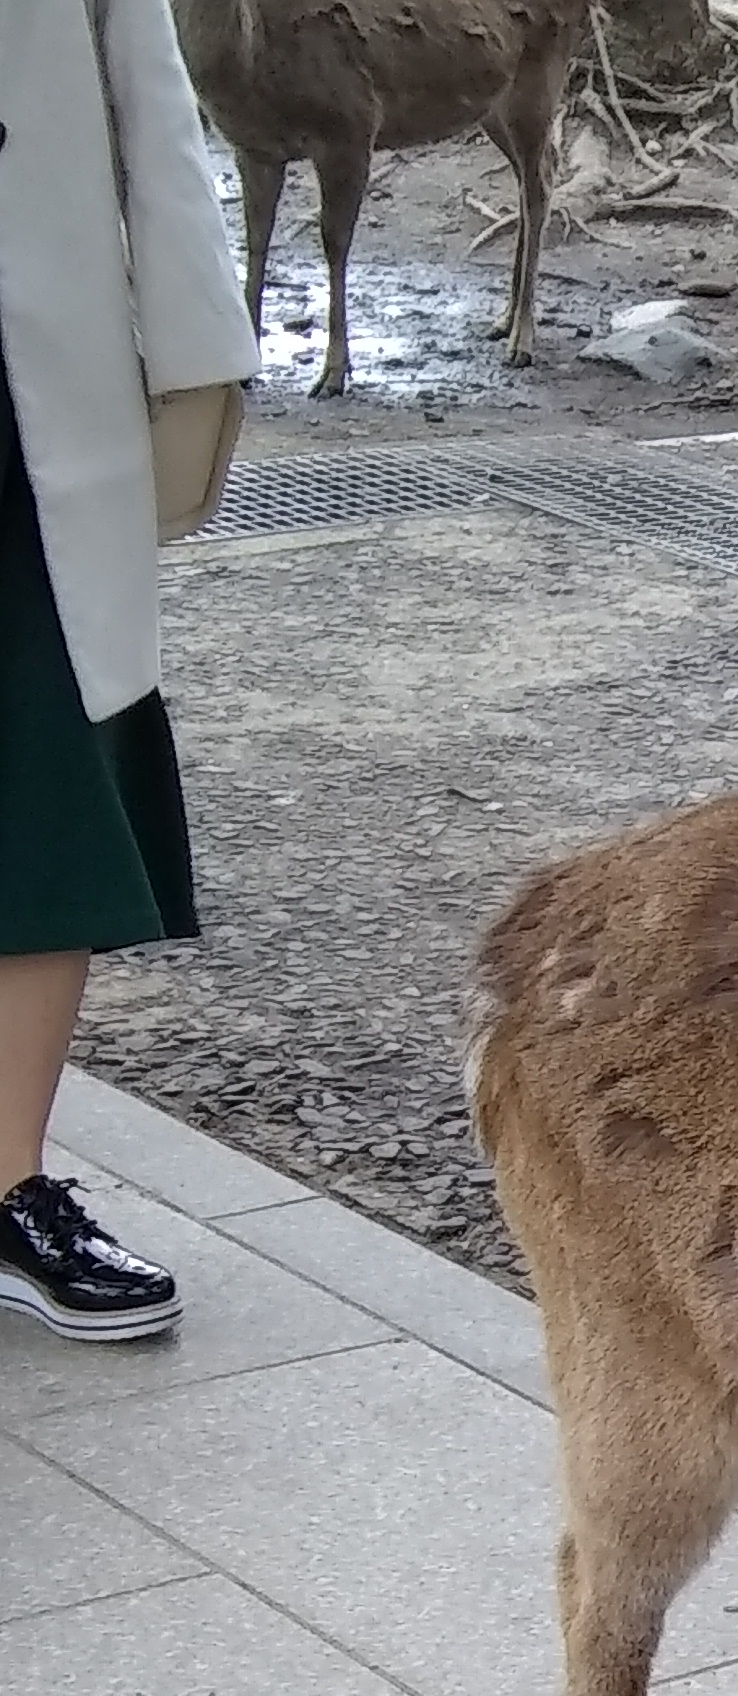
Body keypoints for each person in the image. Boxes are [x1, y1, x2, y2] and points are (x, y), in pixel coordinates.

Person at [0, 0, 260, 1342]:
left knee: (43, 779)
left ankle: (8, 1184)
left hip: (26, 374)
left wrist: (202, 349)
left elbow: (148, 99)